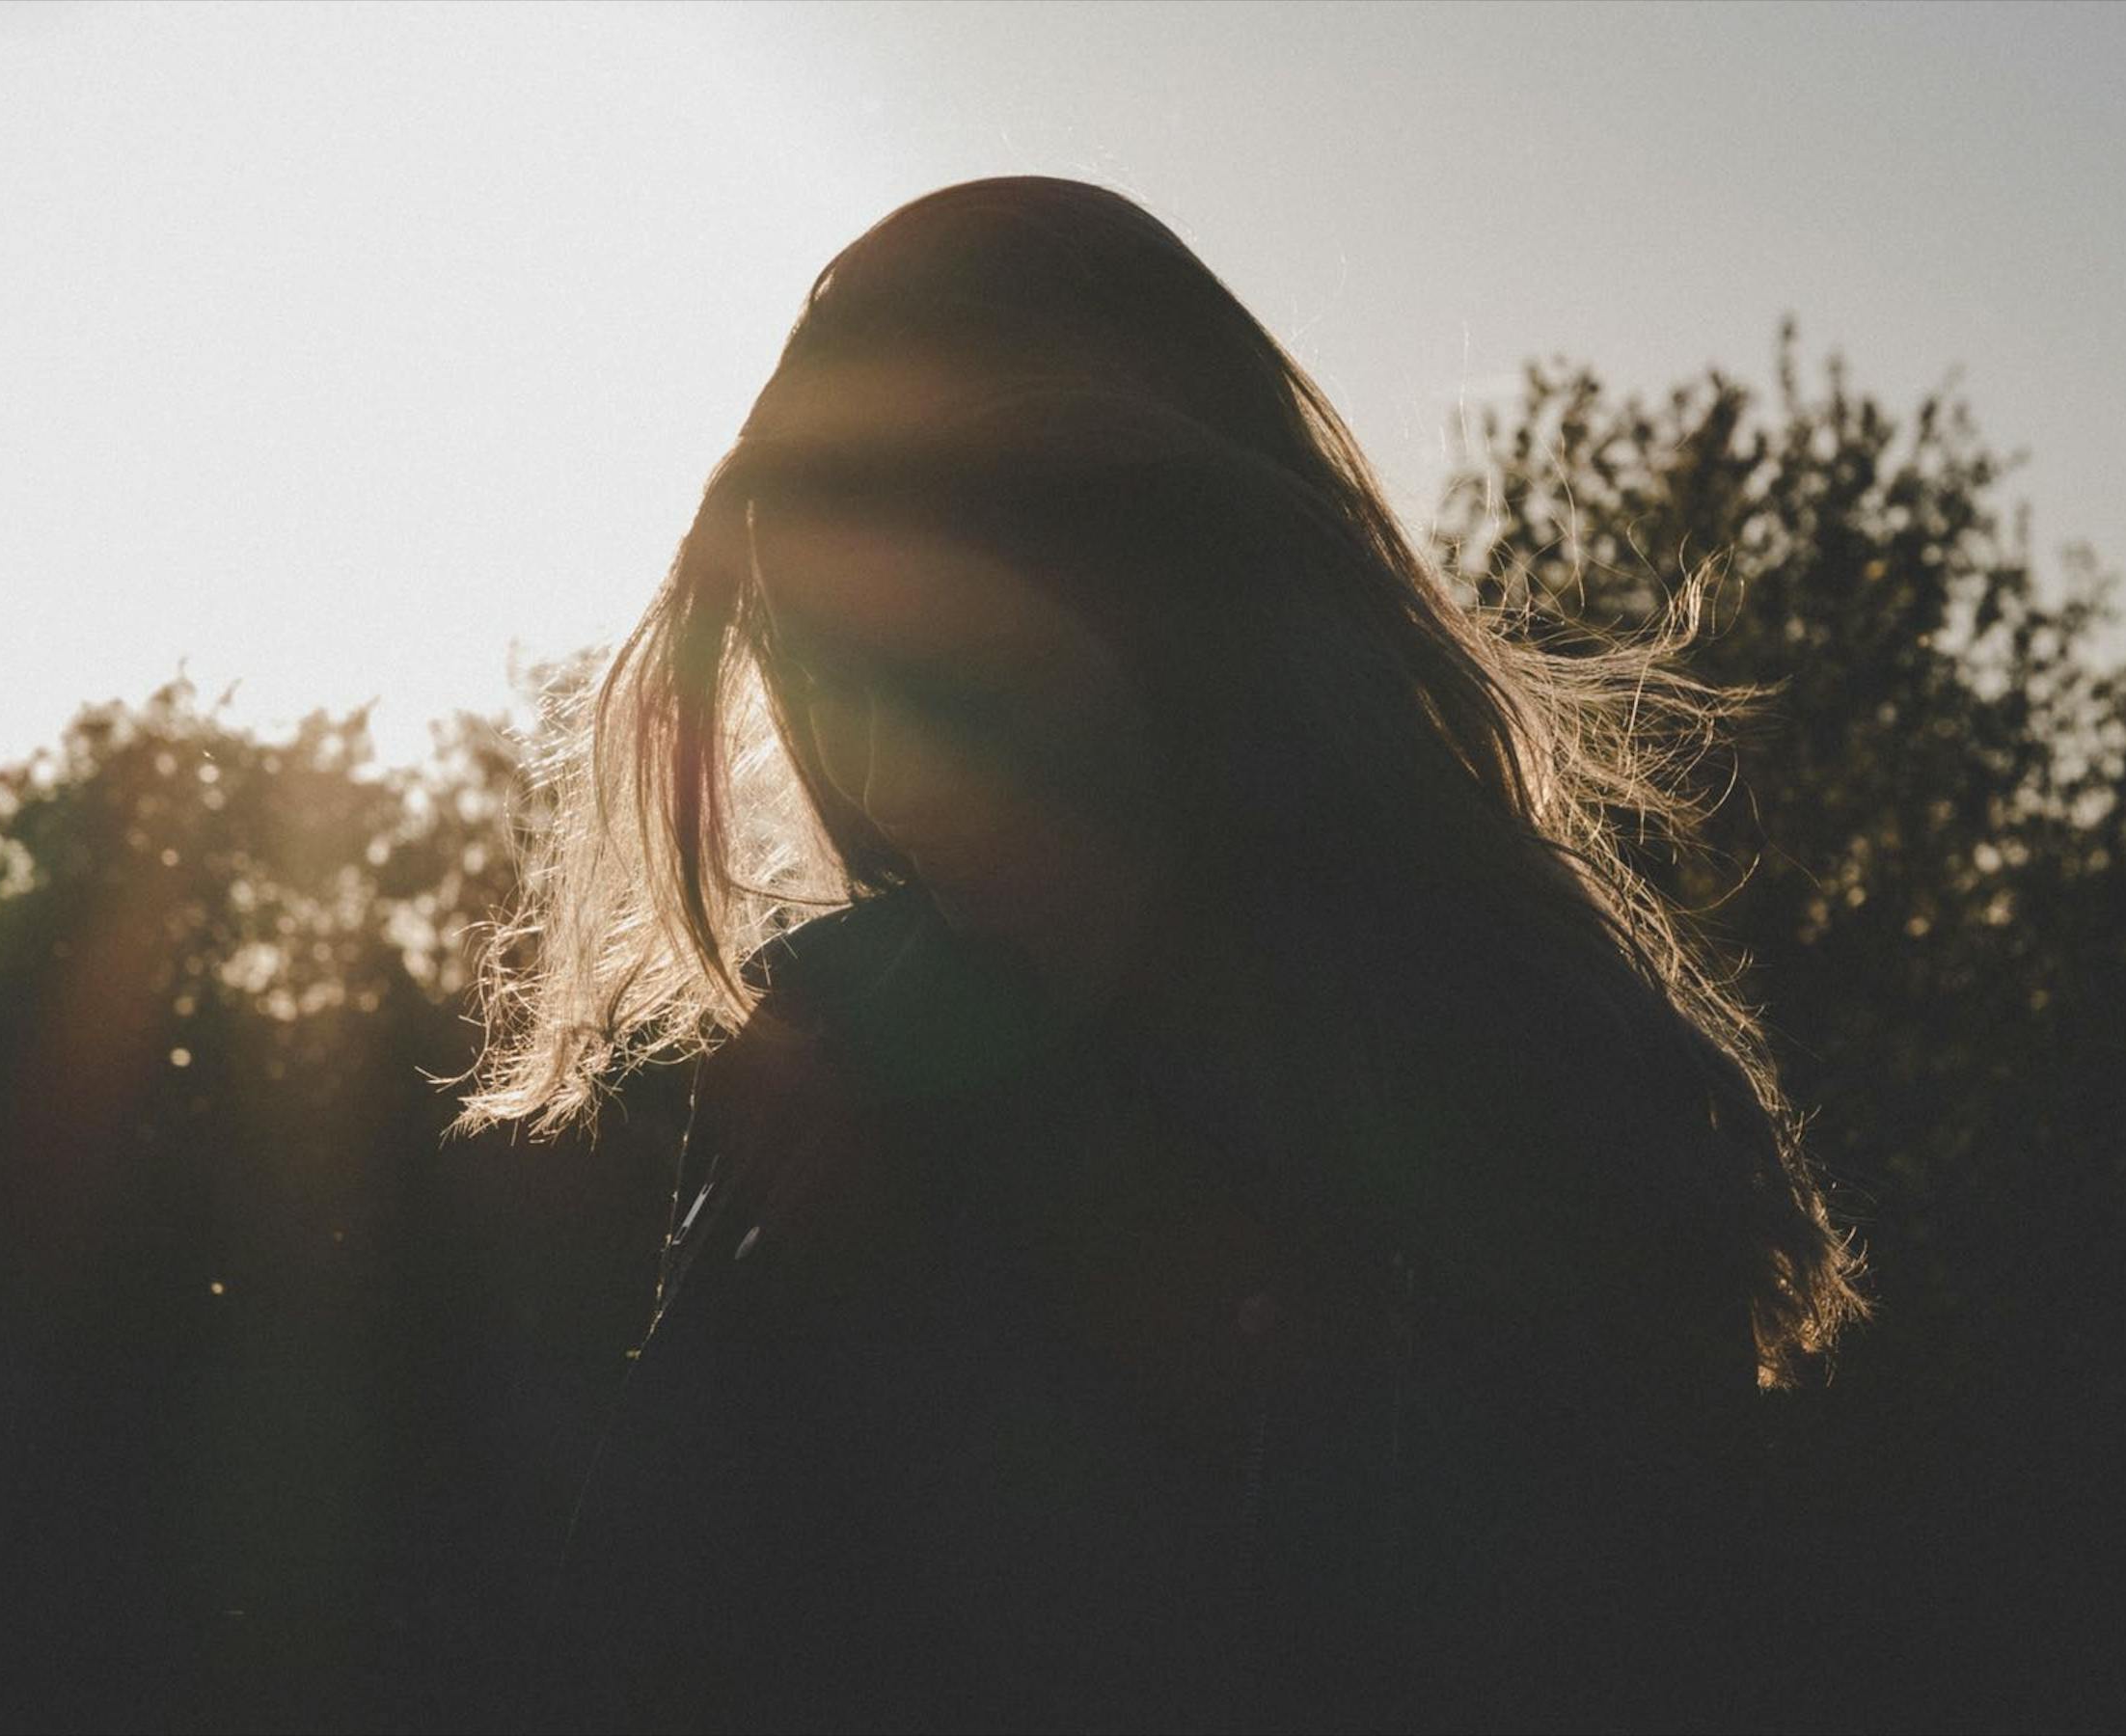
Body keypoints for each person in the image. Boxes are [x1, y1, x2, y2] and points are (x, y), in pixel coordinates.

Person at [451, 176, 1868, 1734]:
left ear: (1174, 575)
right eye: (823, 637)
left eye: (959, 592)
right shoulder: (850, 1046)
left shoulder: (1482, 1071)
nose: (866, 728)